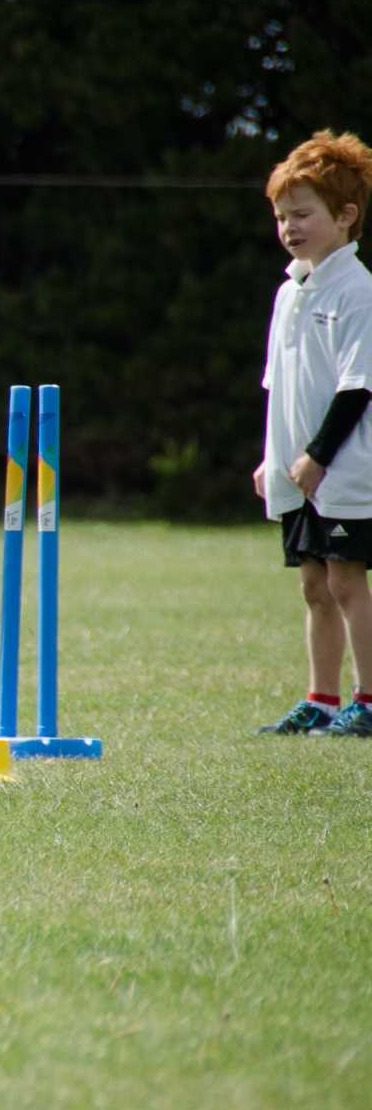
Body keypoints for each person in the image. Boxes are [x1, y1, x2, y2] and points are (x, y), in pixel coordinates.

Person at [253, 129, 372, 735]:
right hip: (297, 470)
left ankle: (367, 701)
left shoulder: (358, 290)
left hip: (343, 468)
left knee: (348, 580)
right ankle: (321, 700)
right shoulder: (289, 292)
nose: (289, 227)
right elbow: (280, 386)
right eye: (281, 217)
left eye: (303, 214)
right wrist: (272, 458)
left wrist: (318, 456)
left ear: (346, 216)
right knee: (313, 585)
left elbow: (358, 385)